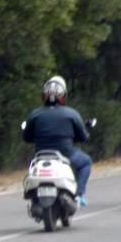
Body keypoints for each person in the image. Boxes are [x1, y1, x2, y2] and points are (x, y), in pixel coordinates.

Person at [22, 75, 92, 206]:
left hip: (40, 155)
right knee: (86, 162)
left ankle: (34, 194)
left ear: (44, 95)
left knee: (31, 166)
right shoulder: (72, 114)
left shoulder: (35, 114)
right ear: (63, 95)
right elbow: (83, 137)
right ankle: (80, 194)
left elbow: (26, 137)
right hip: (67, 154)